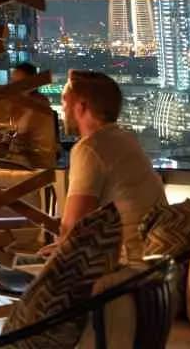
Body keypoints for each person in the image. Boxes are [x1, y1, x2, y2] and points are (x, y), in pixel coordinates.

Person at [57, 69, 165, 262]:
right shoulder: (125, 139)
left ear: (81, 106)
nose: (62, 108)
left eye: (65, 100)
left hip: (124, 265)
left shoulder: (90, 148)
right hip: (151, 259)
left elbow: (73, 230)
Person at [3, 62, 59, 170]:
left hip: (38, 166)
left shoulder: (39, 105)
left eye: (19, 83)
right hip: (21, 162)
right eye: (12, 82)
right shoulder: (16, 104)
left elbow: (20, 134)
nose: (14, 87)